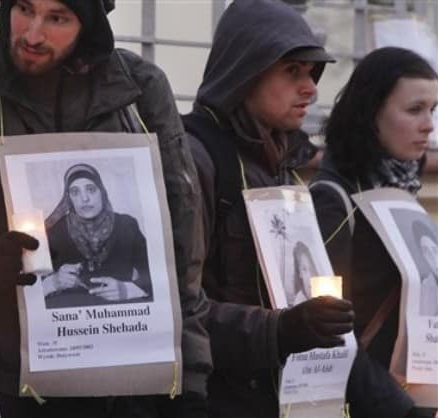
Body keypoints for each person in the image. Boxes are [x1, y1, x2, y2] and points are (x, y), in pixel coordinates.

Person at [0, 0, 211, 416]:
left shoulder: (140, 95)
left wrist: (189, 379)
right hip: (2, 387)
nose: (33, 35)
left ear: (87, 25)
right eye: (24, 9)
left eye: (57, 18)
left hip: (125, 389)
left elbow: (181, 257)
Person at [183, 1, 414, 417]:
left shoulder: (284, 170)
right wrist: (282, 329)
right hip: (213, 400)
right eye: (293, 72)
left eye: (312, 74)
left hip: (276, 399)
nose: (310, 88)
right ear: (245, 71)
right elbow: (179, 309)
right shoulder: (196, 159)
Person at [311, 46, 438, 418]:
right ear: (371, 114)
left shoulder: (404, 192)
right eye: (414, 110)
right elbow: (328, 332)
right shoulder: (334, 200)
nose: (429, 125)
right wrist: (400, 409)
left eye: (432, 110)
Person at [43, 163, 151, 308]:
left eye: (91, 189)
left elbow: (155, 274)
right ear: (69, 199)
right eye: (75, 192)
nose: (85, 199)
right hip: (73, 320)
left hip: (126, 315)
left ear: (102, 192)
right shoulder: (56, 231)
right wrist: (53, 282)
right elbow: (31, 288)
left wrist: (130, 289)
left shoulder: (127, 225)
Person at [412, 221, 438, 316]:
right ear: (423, 256)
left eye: (435, 250)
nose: (432, 257)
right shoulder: (425, 286)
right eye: (426, 252)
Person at [289, 241, 317, 306]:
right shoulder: (299, 302)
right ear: (300, 274)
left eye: (311, 268)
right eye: (304, 269)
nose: (310, 275)